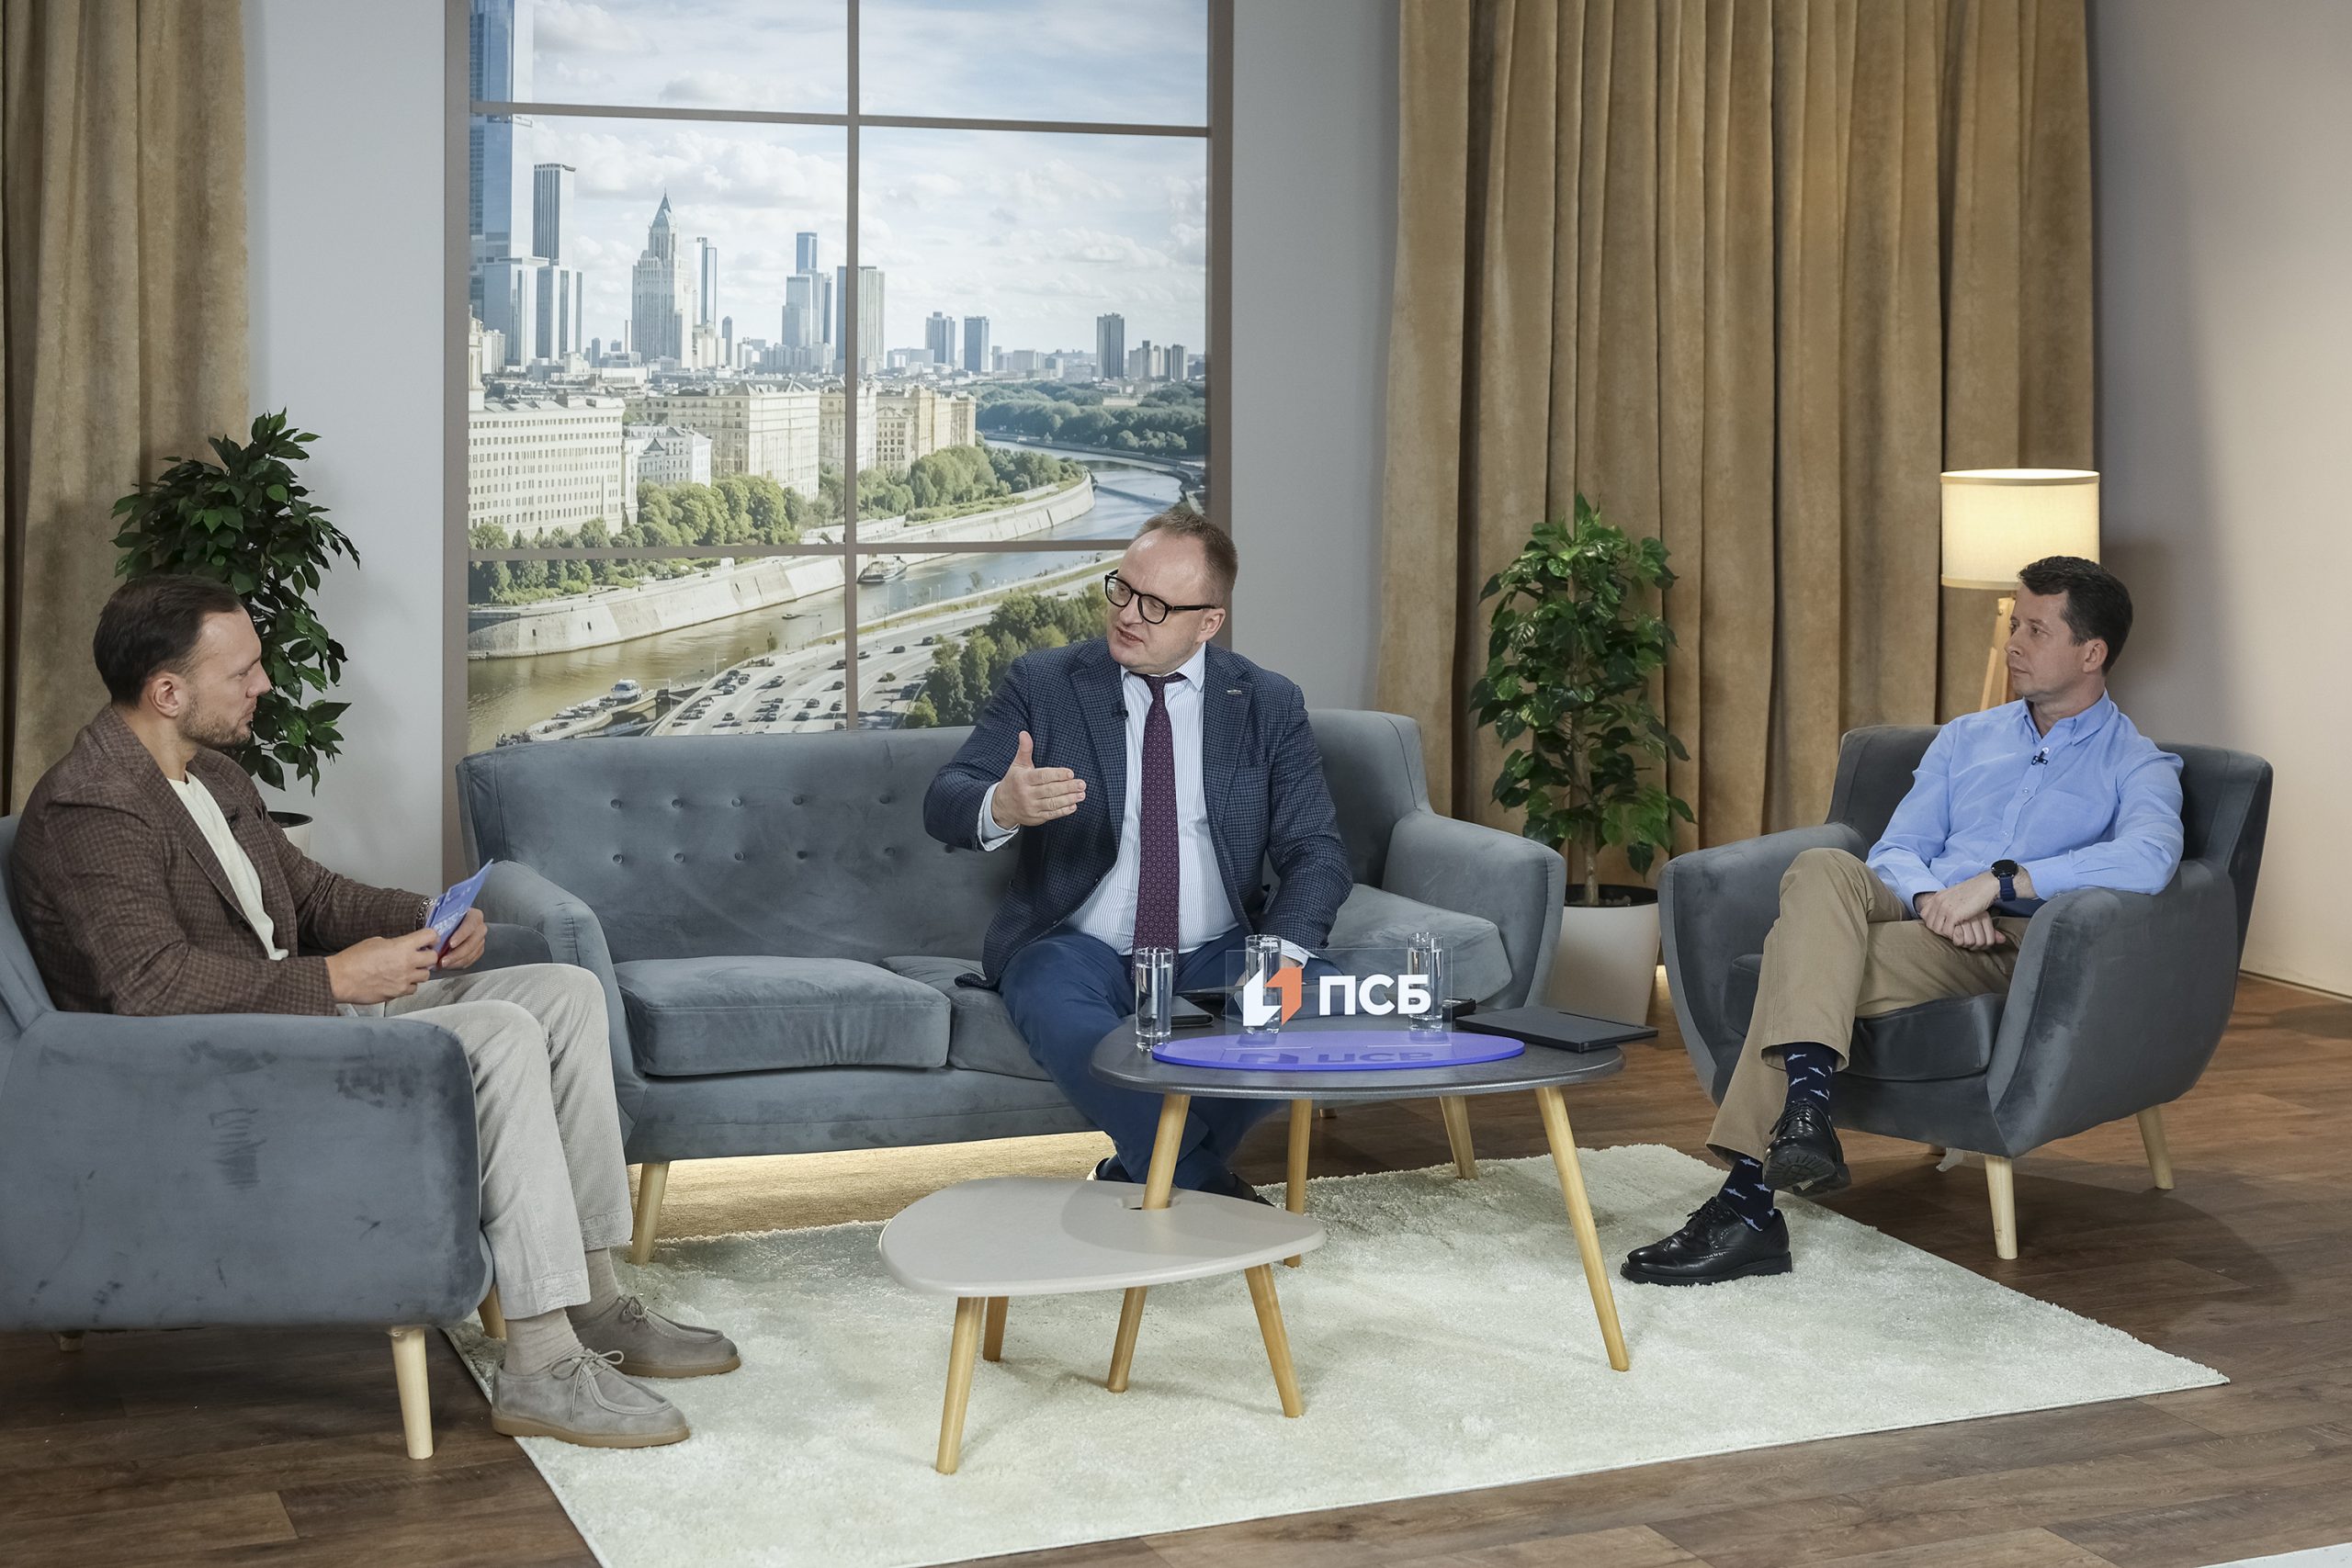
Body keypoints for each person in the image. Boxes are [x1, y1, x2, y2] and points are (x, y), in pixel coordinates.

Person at [11, 575, 738, 1449]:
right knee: (502, 1033)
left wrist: (429, 916)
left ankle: (595, 1298)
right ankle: (540, 1362)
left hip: (293, 1026)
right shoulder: (94, 804)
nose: (264, 683)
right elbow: (148, 986)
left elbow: (312, 896)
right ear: (167, 692)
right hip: (224, 1073)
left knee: (566, 992)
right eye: (241, 672)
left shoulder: (212, 775)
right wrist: (335, 982)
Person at [1623, 556, 2186, 1286]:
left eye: (2036, 630)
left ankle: (1748, 1204)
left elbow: (2150, 857)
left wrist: (2001, 883)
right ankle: (1805, 1117)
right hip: (1922, 910)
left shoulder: (2136, 762)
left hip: (2006, 942)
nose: (2013, 642)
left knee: (1799, 964)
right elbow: (1895, 849)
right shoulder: (1967, 738)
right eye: (2016, 624)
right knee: (1822, 867)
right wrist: (1932, 902)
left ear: (2092, 652)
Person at [923, 508, 1354, 1200]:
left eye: (1155, 605)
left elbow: (1317, 853)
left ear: (1208, 622)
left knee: (1324, 1007)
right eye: (1121, 589)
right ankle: (1210, 1191)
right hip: (1074, 947)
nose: (1127, 614)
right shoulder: (1045, 682)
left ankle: (1141, 1173)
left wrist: (1282, 957)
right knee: (1050, 1000)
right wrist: (1000, 804)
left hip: (1215, 948)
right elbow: (946, 797)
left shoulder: (1267, 703)